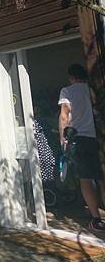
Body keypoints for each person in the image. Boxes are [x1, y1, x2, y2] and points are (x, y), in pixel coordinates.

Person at [58, 64, 105, 231]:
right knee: (101, 178)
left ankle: (96, 219)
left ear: (71, 77)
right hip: (97, 138)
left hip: (79, 139)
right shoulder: (93, 89)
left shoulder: (67, 91)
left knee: (85, 179)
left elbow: (64, 115)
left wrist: (63, 139)